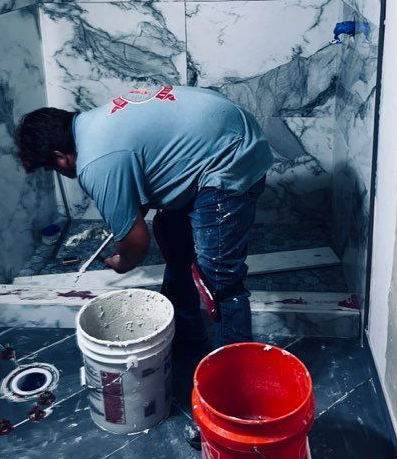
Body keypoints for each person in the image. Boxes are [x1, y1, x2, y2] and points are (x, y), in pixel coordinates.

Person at [15, 84, 273, 352]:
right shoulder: (92, 122)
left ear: (59, 157)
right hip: (223, 131)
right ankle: (185, 337)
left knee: (219, 281)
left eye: (50, 167)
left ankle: (234, 369)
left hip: (231, 156)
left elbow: (136, 243)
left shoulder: (94, 163)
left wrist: (122, 261)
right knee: (173, 239)